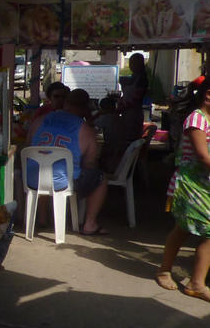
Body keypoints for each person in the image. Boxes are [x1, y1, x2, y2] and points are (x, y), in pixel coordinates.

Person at [155, 76, 210, 302]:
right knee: (184, 229)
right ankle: (166, 271)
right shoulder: (196, 119)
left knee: (196, 231)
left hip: (205, 183)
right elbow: (202, 155)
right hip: (191, 183)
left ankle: (195, 281)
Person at [26, 88, 108, 235]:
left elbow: (27, 145)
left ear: (65, 103)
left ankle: (42, 218)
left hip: (31, 178)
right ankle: (90, 224)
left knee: (44, 166)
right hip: (62, 182)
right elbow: (89, 164)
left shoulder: (39, 120)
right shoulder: (86, 130)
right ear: (85, 108)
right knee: (100, 178)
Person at [118, 53, 148, 145]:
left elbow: (135, 99)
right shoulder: (134, 77)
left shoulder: (142, 79)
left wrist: (122, 107)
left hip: (134, 113)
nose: (131, 65)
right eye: (130, 62)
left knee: (131, 140)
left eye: (133, 63)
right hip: (127, 112)